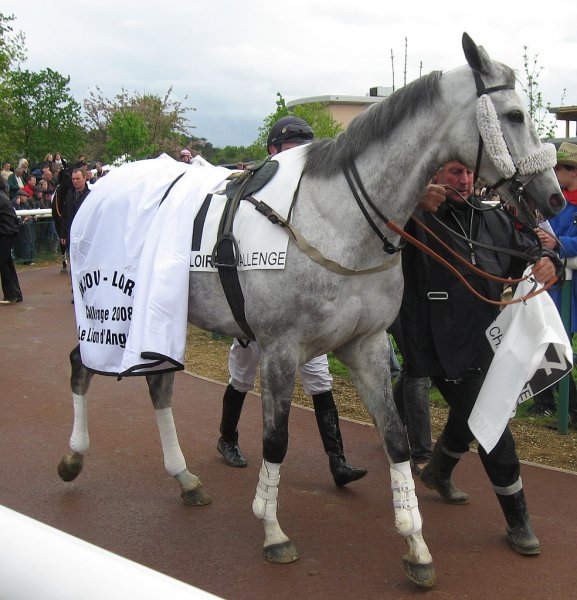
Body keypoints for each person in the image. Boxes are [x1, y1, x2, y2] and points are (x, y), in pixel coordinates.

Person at [401, 160, 561, 555]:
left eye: (469, 173)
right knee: (492, 423)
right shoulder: (411, 216)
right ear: (434, 175)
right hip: (436, 341)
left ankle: (438, 471)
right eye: (455, 172)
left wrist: (549, 262)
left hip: (487, 337)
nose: (465, 180)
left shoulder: (490, 217)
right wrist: (409, 203)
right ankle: (518, 521)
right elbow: (369, 229)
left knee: (470, 413)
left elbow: (530, 249)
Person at [217, 116, 367, 487]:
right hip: (257, 308)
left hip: (301, 311)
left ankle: (338, 460)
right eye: (290, 146)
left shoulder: (315, 194)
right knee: (243, 375)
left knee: (319, 378)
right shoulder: (251, 189)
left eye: (306, 144)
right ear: (272, 151)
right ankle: (227, 438)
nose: (300, 153)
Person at [529, 142, 577, 424]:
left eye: (563, 167)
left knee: (558, 344)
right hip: (552, 284)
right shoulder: (555, 202)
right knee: (544, 340)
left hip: (568, 288)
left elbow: (561, 240)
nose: (557, 172)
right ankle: (548, 402)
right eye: (557, 167)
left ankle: (566, 407)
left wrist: (558, 243)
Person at [388, 316, 432, 475]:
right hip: (402, 303)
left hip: (432, 303)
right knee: (418, 364)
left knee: (413, 363)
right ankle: (422, 455)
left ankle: (391, 424)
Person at [0, 176, 23, 304]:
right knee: (7, 262)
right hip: (9, 231)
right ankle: (16, 294)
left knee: (3, 263)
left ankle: (10, 295)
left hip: (6, 232)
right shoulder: (3, 195)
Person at [60, 168, 91, 251]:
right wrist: (63, 234)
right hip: (71, 235)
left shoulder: (90, 196)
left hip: (85, 236)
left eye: (78, 179)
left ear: (84, 178)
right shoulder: (69, 196)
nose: (75, 181)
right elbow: (64, 216)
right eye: (73, 179)